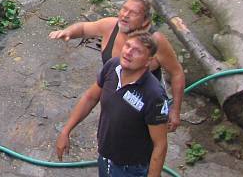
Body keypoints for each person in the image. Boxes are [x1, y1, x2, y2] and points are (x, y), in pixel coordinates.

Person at [48, 0, 184, 131]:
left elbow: (177, 73)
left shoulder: (156, 41)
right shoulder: (110, 25)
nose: (125, 15)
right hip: (115, 93)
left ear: (145, 22)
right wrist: (68, 31)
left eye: (133, 13)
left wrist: (175, 110)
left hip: (145, 101)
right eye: (124, 9)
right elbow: (83, 28)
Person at [56, 32, 169, 177]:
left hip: (131, 169)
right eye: (128, 46)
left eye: (137, 51)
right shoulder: (112, 66)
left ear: (148, 61)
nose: (129, 52)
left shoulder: (154, 95)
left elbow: (160, 145)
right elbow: (90, 97)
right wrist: (66, 131)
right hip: (105, 157)